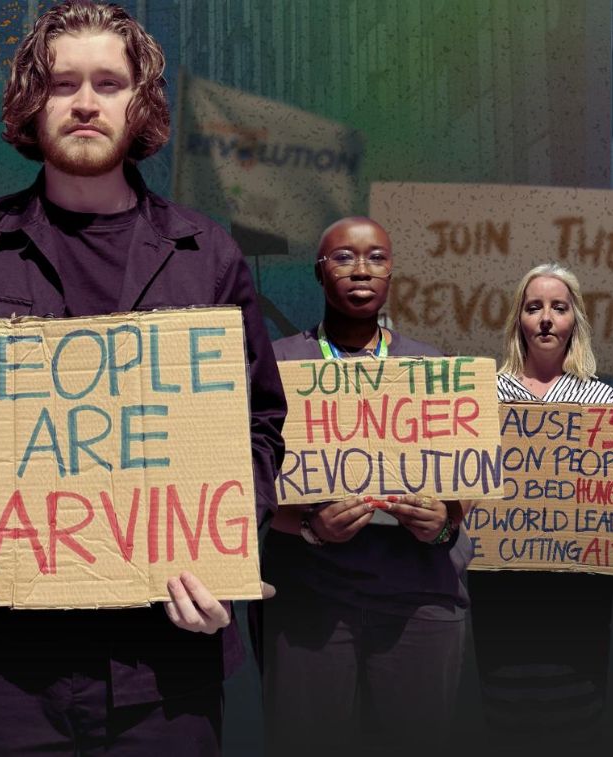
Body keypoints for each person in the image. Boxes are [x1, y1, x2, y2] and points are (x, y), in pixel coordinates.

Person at [0, 2, 286, 754]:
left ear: (142, 104)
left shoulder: (209, 255)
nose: (85, 101)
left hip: (163, 668)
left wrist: (228, 537)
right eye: (63, 82)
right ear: (31, 103)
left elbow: (262, 426)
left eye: (109, 82)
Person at [254, 217, 472, 755]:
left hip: (417, 601)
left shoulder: (429, 366)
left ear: (392, 272)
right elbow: (248, 483)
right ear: (319, 273)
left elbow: (461, 487)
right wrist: (308, 525)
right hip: (310, 602)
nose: (361, 270)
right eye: (344, 258)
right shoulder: (280, 364)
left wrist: (441, 522)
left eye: (376, 258)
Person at [470, 262, 613, 754]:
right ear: (519, 322)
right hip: (502, 589)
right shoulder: (486, 399)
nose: (547, 318)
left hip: (578, 596)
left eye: (559, 307)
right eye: (535, 308)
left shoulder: (603, 403)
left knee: (576, 720)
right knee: (503, 716)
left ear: (575, 320)